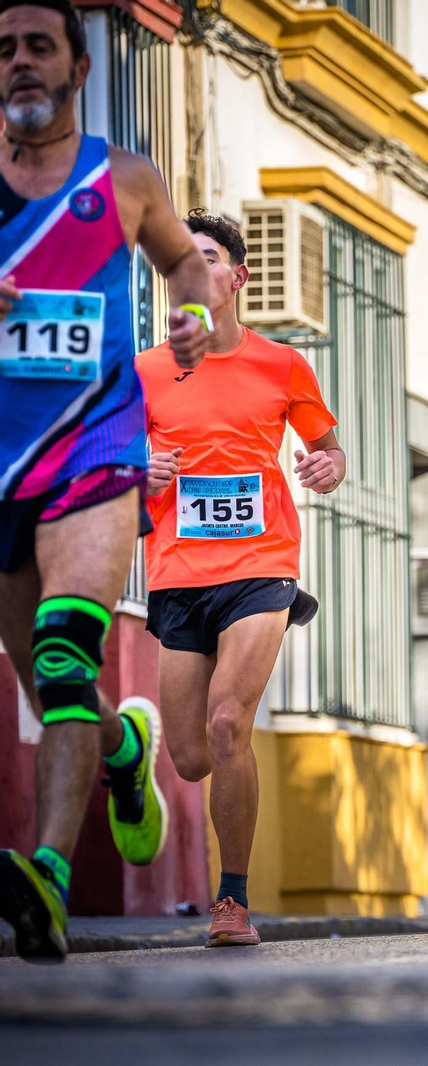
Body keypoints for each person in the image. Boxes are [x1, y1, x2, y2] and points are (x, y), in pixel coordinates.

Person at [0, 0, 215, 962]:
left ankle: (43, 874)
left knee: (60, 654)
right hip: (3, 462)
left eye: (38, 46)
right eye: (3, 50)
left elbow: (184, 267)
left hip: (94, 450)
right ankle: (129, 757)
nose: (19, 64)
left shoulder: (123, 179)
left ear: (78, 68)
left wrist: (195, 321)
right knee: (57, 694)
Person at [137, 210, 340, 947]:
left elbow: (328, 449)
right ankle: (138, 761)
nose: (191, 271)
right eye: (178, 262)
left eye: (207, 257)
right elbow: (110, 471)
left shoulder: (282, 364)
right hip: (178, 572)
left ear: (237, 278)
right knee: (191, 756)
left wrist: (326, 467)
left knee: (230, 723)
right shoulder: (147, 371)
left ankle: (232, 901)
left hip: (262, 566)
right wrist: (139, 474)